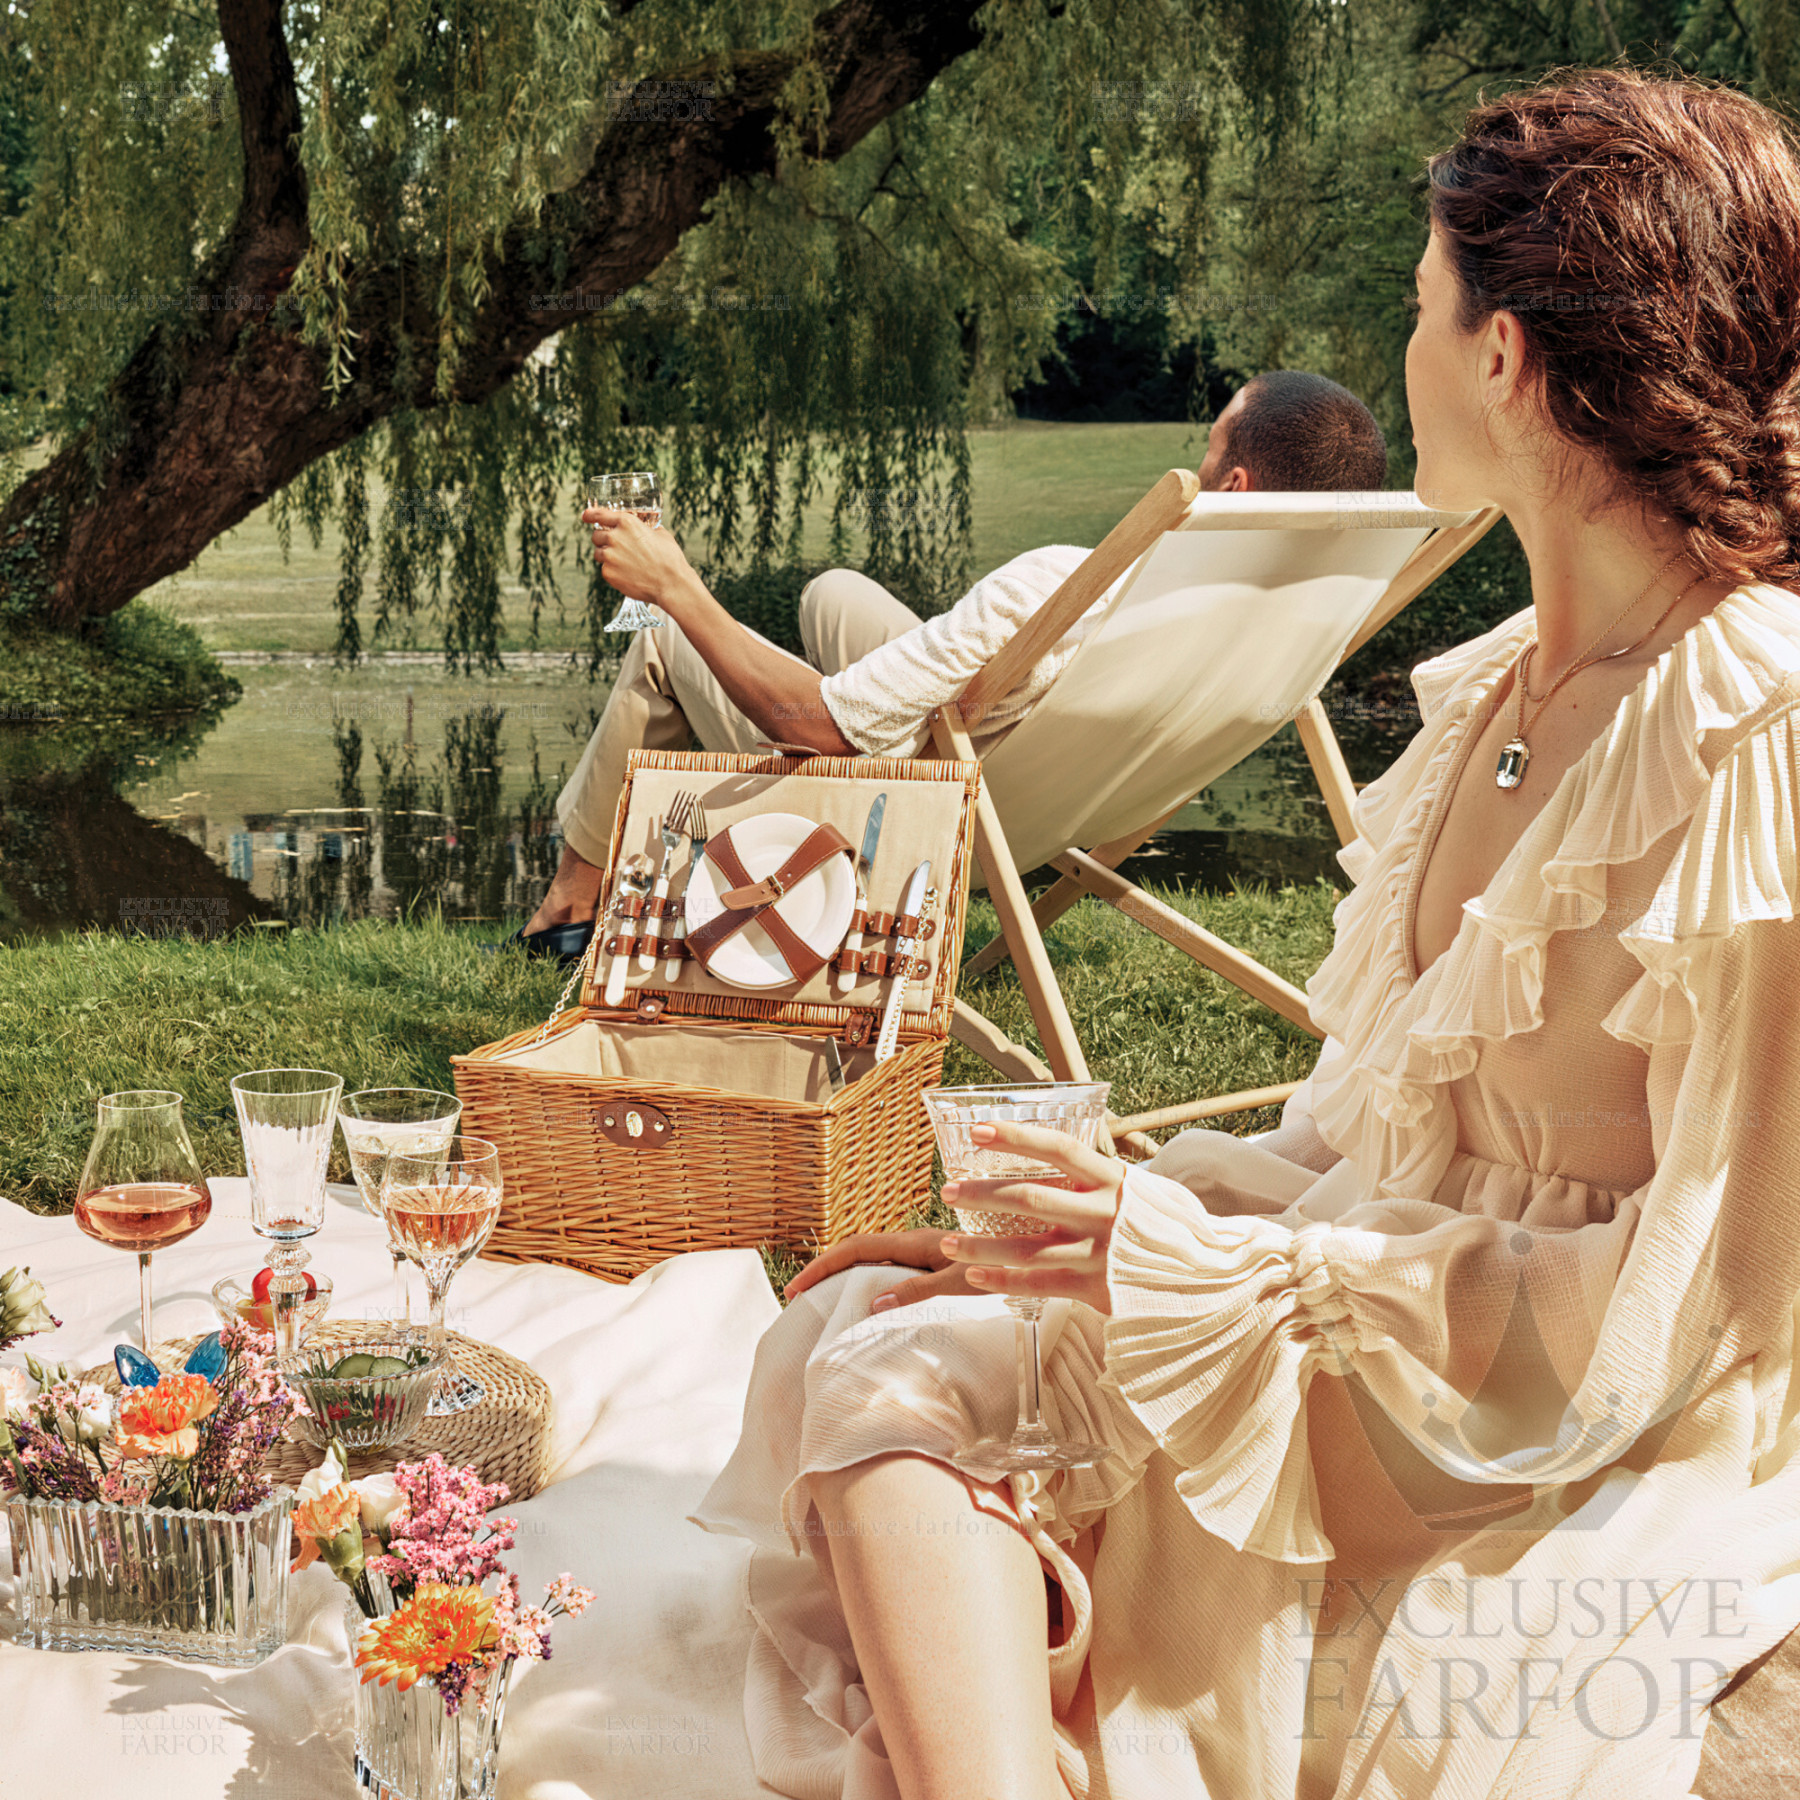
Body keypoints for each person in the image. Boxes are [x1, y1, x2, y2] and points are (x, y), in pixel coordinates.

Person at [689, 68, 1800, 1800]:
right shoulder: (1496, 701)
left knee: (905, 1404)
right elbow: (1378, 1136)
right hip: (1375, 1308)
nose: (1406, 350)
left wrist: (1209, 1275)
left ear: (1505, 358)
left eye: (1424, 308)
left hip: (1538, 1406)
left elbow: (1725, 1303)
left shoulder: (1756, 733)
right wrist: (1096, 1230)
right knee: (871, 1333)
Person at [516, 369, 1388, 956]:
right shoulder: (1294, 622)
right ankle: (927, 696)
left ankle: (570, 906)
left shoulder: (1063, 586)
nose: (1197, 455)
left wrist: (675, 585)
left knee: (663, 641)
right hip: (1066, 798)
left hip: (942, 808)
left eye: (1210, 442)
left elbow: (814, 727)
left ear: (1233, 487)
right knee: (835, 596)